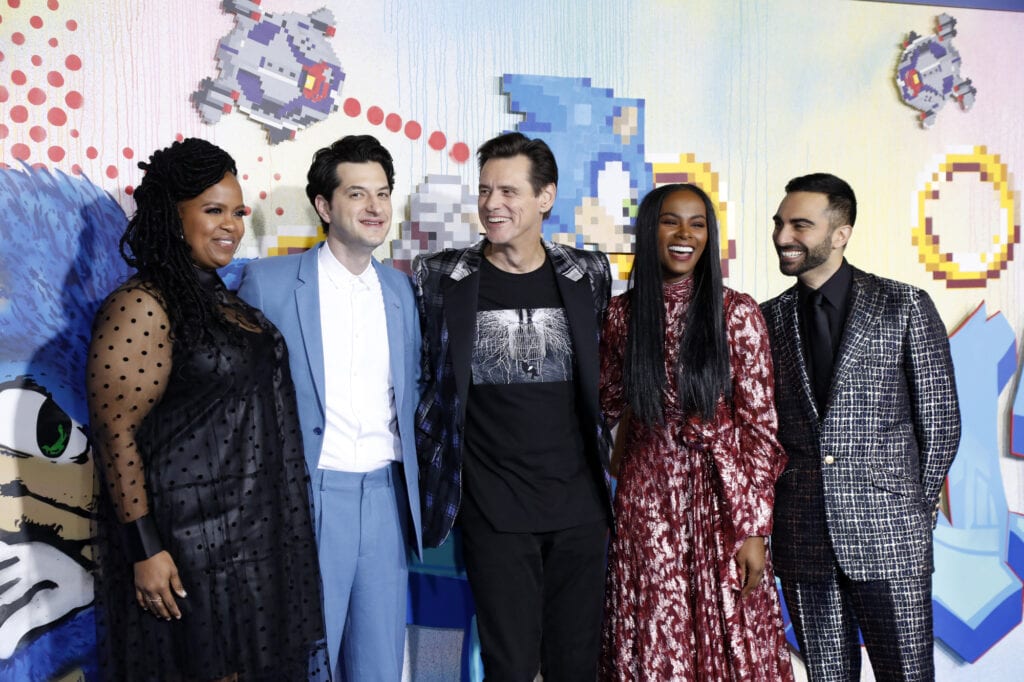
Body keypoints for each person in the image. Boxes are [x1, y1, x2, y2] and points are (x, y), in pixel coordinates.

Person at [86, 138, 329, 681]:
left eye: (238, 212)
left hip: (254, 536)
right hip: (187, 544)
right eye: (213, 210)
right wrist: (146, 549)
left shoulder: (222, 300)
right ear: (173, 217)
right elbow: (115, 432)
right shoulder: (142, 304)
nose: (232, 226)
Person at [414, 131, 612, 681]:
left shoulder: (589, 273)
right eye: (484, 190)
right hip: (494, 510)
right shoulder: (440, 276)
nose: (491, 204)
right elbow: (424, 379)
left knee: (576, 666)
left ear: (545, 197)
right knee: (510, 667)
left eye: (508, 191)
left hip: (579, 508)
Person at [761, 173, 961, 680]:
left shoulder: (904, 304)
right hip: (803, 534)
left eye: (800, 225)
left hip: (891, 534)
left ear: (841, 233)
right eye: (779, 224)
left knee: (906, 674)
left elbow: (941, 423)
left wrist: (910, 509)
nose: (783, 236)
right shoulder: (766, 319)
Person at [237, 134, 422, 681]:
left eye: (382, 194)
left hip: (387, 498)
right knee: (303, 663)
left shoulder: (403, 292)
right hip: (307, 496)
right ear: (324, 205)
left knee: (378, 667)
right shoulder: (267, 284)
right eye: (357, 194)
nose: (374, 207)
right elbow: (240, 408)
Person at [599, 183, 794, 680]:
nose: (684, 234)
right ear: (650, 230)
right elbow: (605, 405)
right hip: (646, 505)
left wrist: (754, 528)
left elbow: (761, 432)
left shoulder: (738, 313)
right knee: (656, 638)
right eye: (670, 221)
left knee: (731, 638)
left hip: (720, 502)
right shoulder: (621, 316)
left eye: (698, 223)